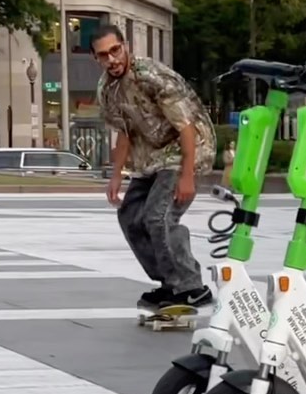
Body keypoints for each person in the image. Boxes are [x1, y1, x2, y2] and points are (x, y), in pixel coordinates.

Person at [93, 24, 216, 312]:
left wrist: (187, 175)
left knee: (158, 217)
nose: (112, 59)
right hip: (151, 157)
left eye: (115, 50)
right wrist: (116, 175)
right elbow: (125, 132)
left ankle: (191, 286)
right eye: (103, 55)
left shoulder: (152, 76)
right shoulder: (107, 90)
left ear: (125, 46)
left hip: (185, 150)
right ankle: (170, 283)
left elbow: (185, 126)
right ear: (96, 59)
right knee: (130, 216)